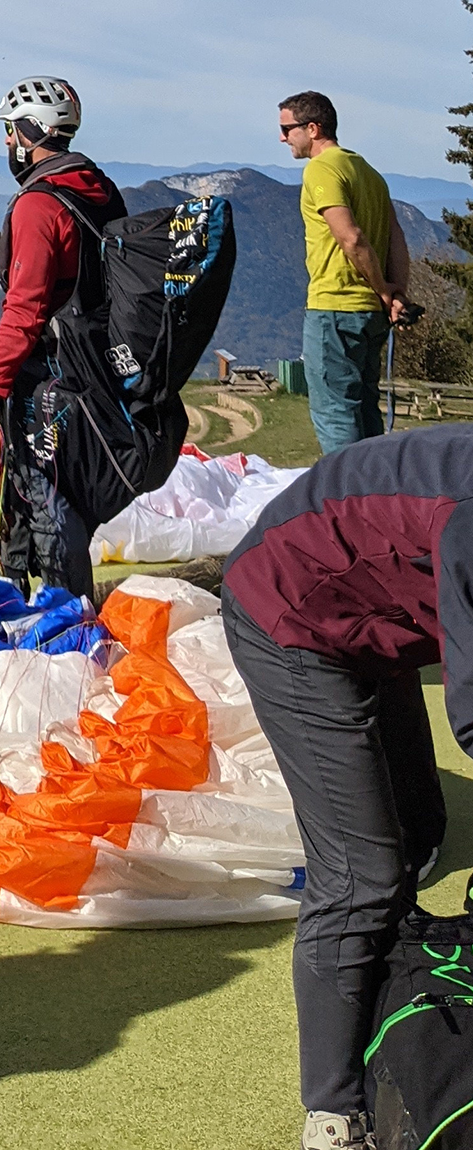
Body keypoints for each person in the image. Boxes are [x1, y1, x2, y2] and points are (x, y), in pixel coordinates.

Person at [221, 425, 467, 1150]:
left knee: (418, 836)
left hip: (367, 611)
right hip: (288, 614)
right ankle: (332, 1115)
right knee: (361, 875)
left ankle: (396, 1028)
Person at [0, 76, 127, 601]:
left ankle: (61, 625)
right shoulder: (97, 189)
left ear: (31, 131)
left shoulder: (39, 204)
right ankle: (59, 612)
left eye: (11, 132)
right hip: (98, 372)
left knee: (46, 500)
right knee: (64, 501)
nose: (8, 143)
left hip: (51, 379)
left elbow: (26, 310)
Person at [279, 90, 410, 454]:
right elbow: (396, 237)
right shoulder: (368, 172)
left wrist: (384, 289)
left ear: (313, 128)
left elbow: (350, 237)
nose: (282, 137)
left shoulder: (321, 169)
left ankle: (349, 504)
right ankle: (377, 499)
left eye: (287, 128)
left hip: (334, 310)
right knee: (367, 413)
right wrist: (397, 293)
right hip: (371, 315)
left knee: (336, 415)